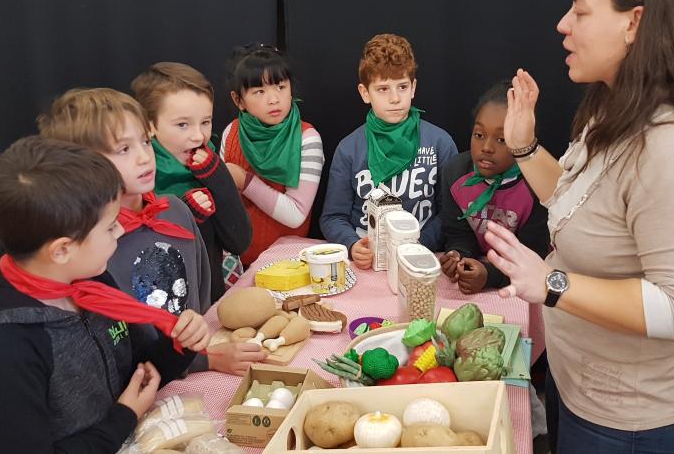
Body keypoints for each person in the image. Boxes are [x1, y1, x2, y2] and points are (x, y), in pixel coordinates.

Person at [484, 0, 674, 452]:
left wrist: (551, 284)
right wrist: (526, 147)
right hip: (578, 385)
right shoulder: (615, 107)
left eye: (580, 10)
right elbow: (581, 210)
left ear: (634, 22)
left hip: (633, 423)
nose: (563, 24)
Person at [0, 136, 210, 452]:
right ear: (63, 250)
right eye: (110, 227)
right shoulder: (0, 351)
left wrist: (178, 345)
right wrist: (122, 418)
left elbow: (137, 369)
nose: (121, 231)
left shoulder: (90, 283)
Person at [39, 88, 268, 375]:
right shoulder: (88, 249)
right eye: (124, 149)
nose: (145, 158)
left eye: (145, 142)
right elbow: (114, 348)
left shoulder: (175, 210)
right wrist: (203, 360)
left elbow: (201, 297)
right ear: (83, 164)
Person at [320, 33, 457, 268]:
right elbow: (332, 217)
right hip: (368, 258)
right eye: (383, 89)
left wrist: (419, 244)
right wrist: (352, 244)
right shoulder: (349, 148)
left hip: (420, 257)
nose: (395, 98)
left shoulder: (439, 143)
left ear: (413, 87)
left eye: (402, 86)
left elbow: (450, 213)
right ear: (365, 93)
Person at [132, 62, 253, 301]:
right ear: (150, 125)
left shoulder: (207, 166)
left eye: (205, 122)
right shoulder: (140, 179)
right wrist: (185, 214)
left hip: (210, 305)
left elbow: (240, 241)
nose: (198, 136)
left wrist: (217, 175)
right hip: (171, 321)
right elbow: (147, 267)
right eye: (182, 124)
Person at [438, 80, 549, 294]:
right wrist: (457, 255)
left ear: (523, 139)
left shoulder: (537, 185)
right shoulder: (455, 173)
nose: (487, 148)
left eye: (502, 139)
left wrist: (489, 276)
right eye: (479, 135)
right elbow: (458, 234)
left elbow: (534, 256)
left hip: (521, 285)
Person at [219, 44, 325, 266]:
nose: (273, 99)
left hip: (287, 264)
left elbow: (296, 214)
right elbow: (223, 202)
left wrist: (245, 181)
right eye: (259, 91)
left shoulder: (307, 138)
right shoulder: (231, 132)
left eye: (280, 87)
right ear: (239, 100)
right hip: (237, 262)